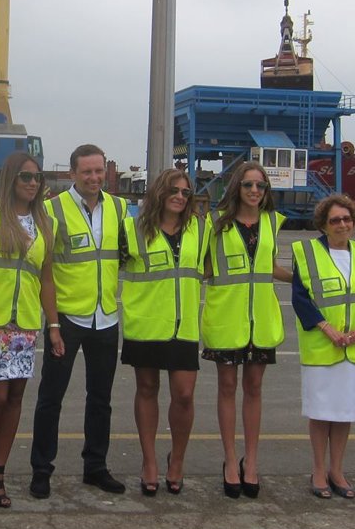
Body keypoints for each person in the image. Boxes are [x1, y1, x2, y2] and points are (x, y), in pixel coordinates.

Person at [30, 144, 127, 499]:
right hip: (67, 320)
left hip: (106, 317)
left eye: (99, 171)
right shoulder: (52, 209)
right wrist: (53, 323)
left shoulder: (119, 208)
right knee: (50, 398)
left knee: (101, 399)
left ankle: (95, 467)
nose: (94, 177)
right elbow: (45, 270)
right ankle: (42, 470)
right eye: (87, 172)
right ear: (72, 173)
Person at [0, 151, 59, 510]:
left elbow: (46, 279)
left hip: (25, 326)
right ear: (10, 178)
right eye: (25, 176)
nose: (33, 183)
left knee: (16, 398)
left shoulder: (45, 223)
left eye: (37, 177)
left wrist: (53, 325)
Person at [200, 161, 291, 499]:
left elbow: (270, 267)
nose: (255, 191)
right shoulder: (214, 224)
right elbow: (204, 267)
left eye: (261, 186)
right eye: (248, 185)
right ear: (236, 187)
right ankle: (229, 459)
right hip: (227, 318)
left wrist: (303, 279)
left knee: (254, 388)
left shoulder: (272, 222)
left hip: (261, 320)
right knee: (227, 387)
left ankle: (250, 461)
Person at [290, 194, 355, 500]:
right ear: (323, 225)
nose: (342, 225)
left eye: (347, 219)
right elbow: (300, 298)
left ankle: (337, 470)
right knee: (321, 413)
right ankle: (319, 470)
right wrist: (327, 328)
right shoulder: (306, 252)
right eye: (335, 220)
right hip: (323, 347)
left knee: (344, 412)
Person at [119, 169, 207, 496]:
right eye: (174, 190)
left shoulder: (201, 229)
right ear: (159, 192)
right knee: (147, 389)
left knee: (184, 395)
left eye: (185, 192)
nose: (180, 197)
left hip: (183, 327)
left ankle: (177, 460)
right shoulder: (132, 229)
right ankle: (149, 462)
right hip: (145, 324)